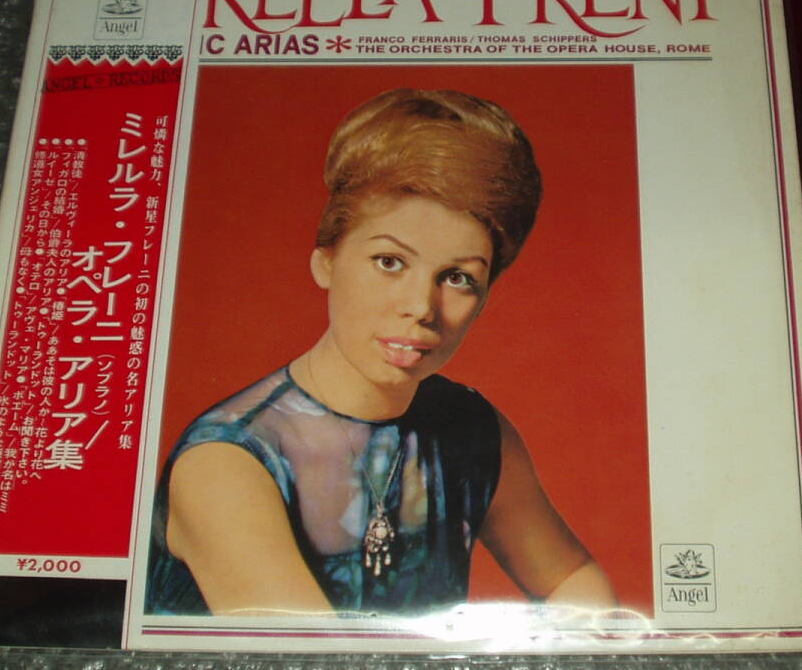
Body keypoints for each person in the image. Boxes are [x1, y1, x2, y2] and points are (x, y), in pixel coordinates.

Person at [146, 88, 616, 616]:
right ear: (326, 260)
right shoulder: (227, 462)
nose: (421, 307)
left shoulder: (471, 430)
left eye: (457, 277)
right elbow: (312, 663)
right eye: (390, 262)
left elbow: (570, 579)